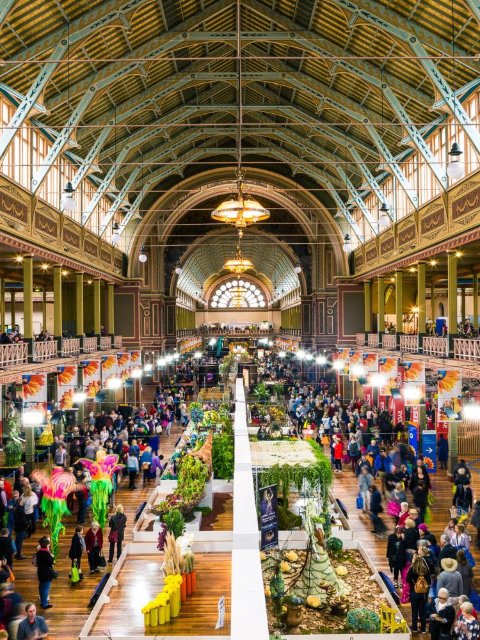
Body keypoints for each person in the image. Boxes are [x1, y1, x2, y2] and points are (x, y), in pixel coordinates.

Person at [406, 554, 431, 633]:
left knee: (414, 611)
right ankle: (423, 629)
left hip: (414, 592)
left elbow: (407, 580)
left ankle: (414, 628)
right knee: (422, 611)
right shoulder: (425, 569)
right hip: (423, 593)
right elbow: (429, 582)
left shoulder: (412, 569)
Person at [36, 536, 55, 609]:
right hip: (46, 572)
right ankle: (45, 604)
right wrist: (52, 557)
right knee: (45, 588)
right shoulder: (45, 552)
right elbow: (50, 562)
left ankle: (42, 601)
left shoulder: (39, 551)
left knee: (42, 587)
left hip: (40, 571)